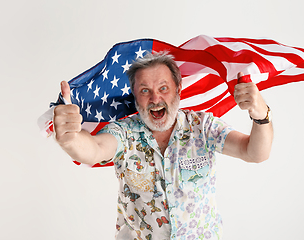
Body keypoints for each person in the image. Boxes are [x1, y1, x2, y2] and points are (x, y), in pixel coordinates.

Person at [53, 52, 273, 240]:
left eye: (163, 88)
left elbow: (254, 152)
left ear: (178, 89)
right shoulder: (124, 132)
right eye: (145, 90)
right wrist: (70, 137)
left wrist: (261, 116)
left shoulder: (202, 127)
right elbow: (95, 149)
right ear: (135, 97)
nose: (155, 98)